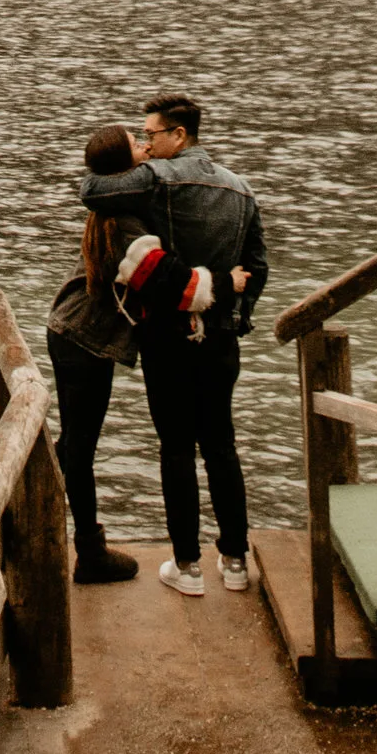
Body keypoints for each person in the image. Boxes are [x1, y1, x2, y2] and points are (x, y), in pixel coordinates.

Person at [78, 91, 268, 598]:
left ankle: (186, 567)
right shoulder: (243, 189)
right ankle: (234, 560)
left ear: (178, 135)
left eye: (152, 135)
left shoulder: (159, 178)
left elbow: (92, 191)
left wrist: (119, 162)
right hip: (221, 336)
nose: (146, 143)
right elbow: (259, 266)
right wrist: (236, 313)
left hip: (167, 334)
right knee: (223, 446)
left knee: (177, 449)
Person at [44, 125, 144, 583]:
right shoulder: (126, 218)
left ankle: (47, 521)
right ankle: (90, 553)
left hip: (68, 325)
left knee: (73, 442)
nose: (145, 145)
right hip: (83, 337)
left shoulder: (111, 205)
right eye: (136, 142)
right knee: (80, 446)